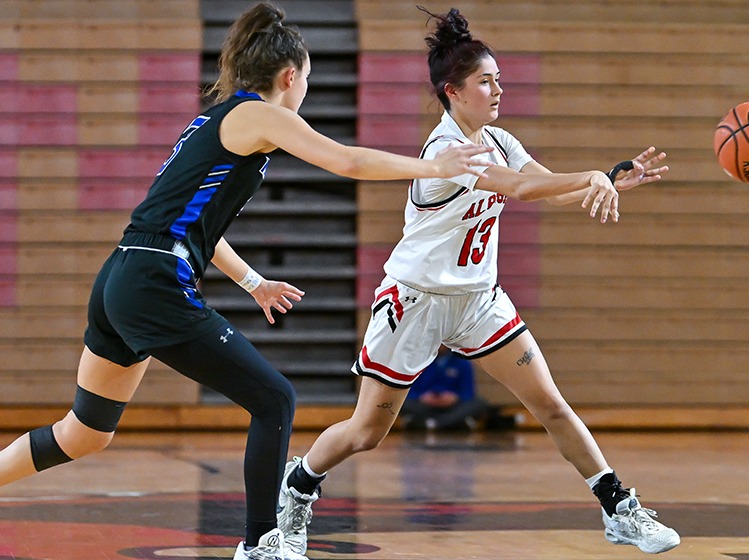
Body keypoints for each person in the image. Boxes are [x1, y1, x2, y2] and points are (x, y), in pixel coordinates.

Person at [0, 3, 493, 560]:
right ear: (290, 76)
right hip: (153, 282)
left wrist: (253, 281)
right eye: (308, 78)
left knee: (83, 433)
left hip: (123, 275)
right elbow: (348, 161)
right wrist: (437, 166)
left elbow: (195, 224)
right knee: (275, 399)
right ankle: (261, 543)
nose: (306, 88)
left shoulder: (215, 119)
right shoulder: (261, 114)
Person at [277, 6, 680, 556]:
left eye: (500, 80)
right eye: (485, 81)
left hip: (477, 301)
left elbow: (544, 188)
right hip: (415, 300)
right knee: (366, 433)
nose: (497, 90)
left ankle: (619, 509)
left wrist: (605, 181)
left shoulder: (500, 138)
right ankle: (298, 486)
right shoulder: (447, 150)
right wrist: (586, 176)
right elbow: (517, 189)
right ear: (453, 91)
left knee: (552, 405)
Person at [400, 346, 490, 431]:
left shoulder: (462, 362)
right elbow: (409, 391)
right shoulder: (419, 362)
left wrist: (454, 398)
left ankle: (433, 423)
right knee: (402, 403)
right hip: (425, 406)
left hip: (453, 407)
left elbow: (468, 392)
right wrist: (422, 397)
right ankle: (452, 422)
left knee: (479, 403)